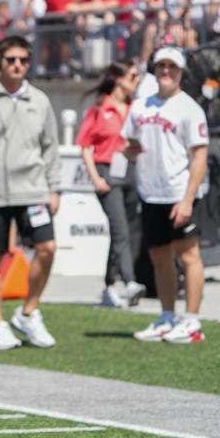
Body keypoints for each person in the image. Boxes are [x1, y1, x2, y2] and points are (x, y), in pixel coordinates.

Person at [0, 35, 61, 351]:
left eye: (23, 60)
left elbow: (51, 148)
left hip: (33, 190)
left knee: (47, 247)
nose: (18, 65)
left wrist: (54, 188)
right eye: (11, 60)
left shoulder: (40, 100)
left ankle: (29, 311)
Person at [123, 46, 208, 343]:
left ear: (181, 72)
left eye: (172, 67)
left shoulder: (189, 108)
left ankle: (193, 321)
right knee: (159, 257)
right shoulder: (140, 106)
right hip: (151, 193)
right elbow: (128, 149)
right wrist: (130, 151)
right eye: (161, 66)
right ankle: (167, 316)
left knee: (188, 256)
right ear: (155, 70)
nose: (166, 72)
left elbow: (199, 157)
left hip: (179, 192)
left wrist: (187, 199)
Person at [76, 61, 146, 308]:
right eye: (133, 76)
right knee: (121, 231)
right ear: (119, 78)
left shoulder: (134, 108)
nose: (137, 80)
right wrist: (95, 178)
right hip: (107, 174)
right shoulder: (98, 109)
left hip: (129, 172)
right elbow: (85, 146)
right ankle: (129, 282)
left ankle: (108, 286)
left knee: (122, 234)